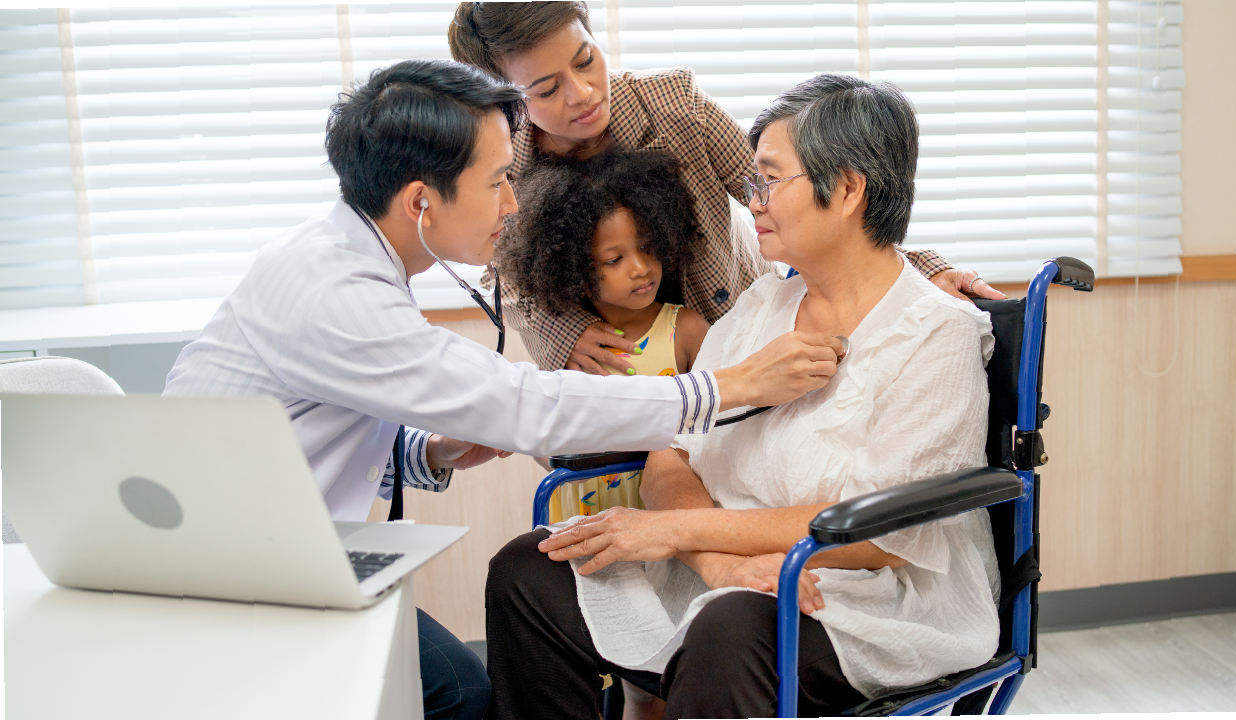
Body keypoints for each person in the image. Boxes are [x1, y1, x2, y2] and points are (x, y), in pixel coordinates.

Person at [162, 59, 845, 720]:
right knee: (462, 683)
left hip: (256, 542)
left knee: (458, 685)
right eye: (496, 182)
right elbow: (531, 406)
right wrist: (728, 386)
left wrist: (428, 452)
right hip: (229, 572)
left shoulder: (343, 264)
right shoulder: (333, 293)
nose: (513, 203)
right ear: (421, 202)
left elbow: (310, 418)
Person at [484, 75, 1001, 719]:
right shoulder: (761, 306)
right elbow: (670, 456)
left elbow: (880, 535)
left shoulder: (935, 333)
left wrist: (678, 532)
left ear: (845, 189)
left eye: (768, 180)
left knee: (730, 632)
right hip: (728, 573)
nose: (750, 201)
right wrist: (713, 561)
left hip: (859, 596)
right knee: (528, 569)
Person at [448, 1, 1005, 377]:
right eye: (546, 88)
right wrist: (561, 330)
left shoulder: (673, 106)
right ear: (504, 96)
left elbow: (793, 195)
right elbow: (502, 275)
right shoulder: (504, 164)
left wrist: (918, 266)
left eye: (587, 59)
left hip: (731, 339)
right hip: (623, 368)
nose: (583, 92)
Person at [496, 148, 711, 528]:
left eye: (647, 247)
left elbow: (717, 427)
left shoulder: (686, 331)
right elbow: (550, 447)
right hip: (580, 512)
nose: (641, 268)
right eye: (614, 260)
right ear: (571, 269)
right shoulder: (567, 350)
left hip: (665, 512)